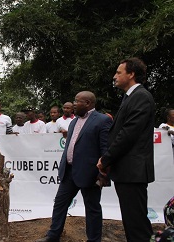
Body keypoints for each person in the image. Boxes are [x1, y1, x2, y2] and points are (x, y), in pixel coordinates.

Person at [36, 91, 112, 242]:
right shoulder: (73, 122)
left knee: (92, 208)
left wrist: (103, 174)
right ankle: (53, 235)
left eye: (77, 101)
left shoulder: (102, 120)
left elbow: (105, 149)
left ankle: (94, 240)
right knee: (60, 203)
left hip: (89, 174)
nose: (74, 104)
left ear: (88, 103)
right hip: (69, 171)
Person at [97, 57, 155, 242]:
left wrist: (106, 159)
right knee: (132, 221)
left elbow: (128, 134)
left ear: (131, 74)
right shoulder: (131, 96)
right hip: (127, 170)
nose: (114, 76)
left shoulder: (141, 96)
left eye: (118, 72)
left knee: (136, 223)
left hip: (133, 171)